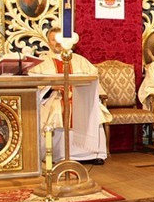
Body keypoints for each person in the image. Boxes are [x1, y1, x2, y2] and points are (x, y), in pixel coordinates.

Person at [30, 27, 112, 164]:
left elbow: (93, 78)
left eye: (60, 39)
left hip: (80, 96)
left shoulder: (80, 60)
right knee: (57, 110)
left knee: (94, 110)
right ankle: (59, 155)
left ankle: (93, 153)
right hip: (54, 97)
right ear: (48, 42)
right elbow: (34, 84)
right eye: (53, 40)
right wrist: (50, 87)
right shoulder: (40, 62)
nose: (57, 43)